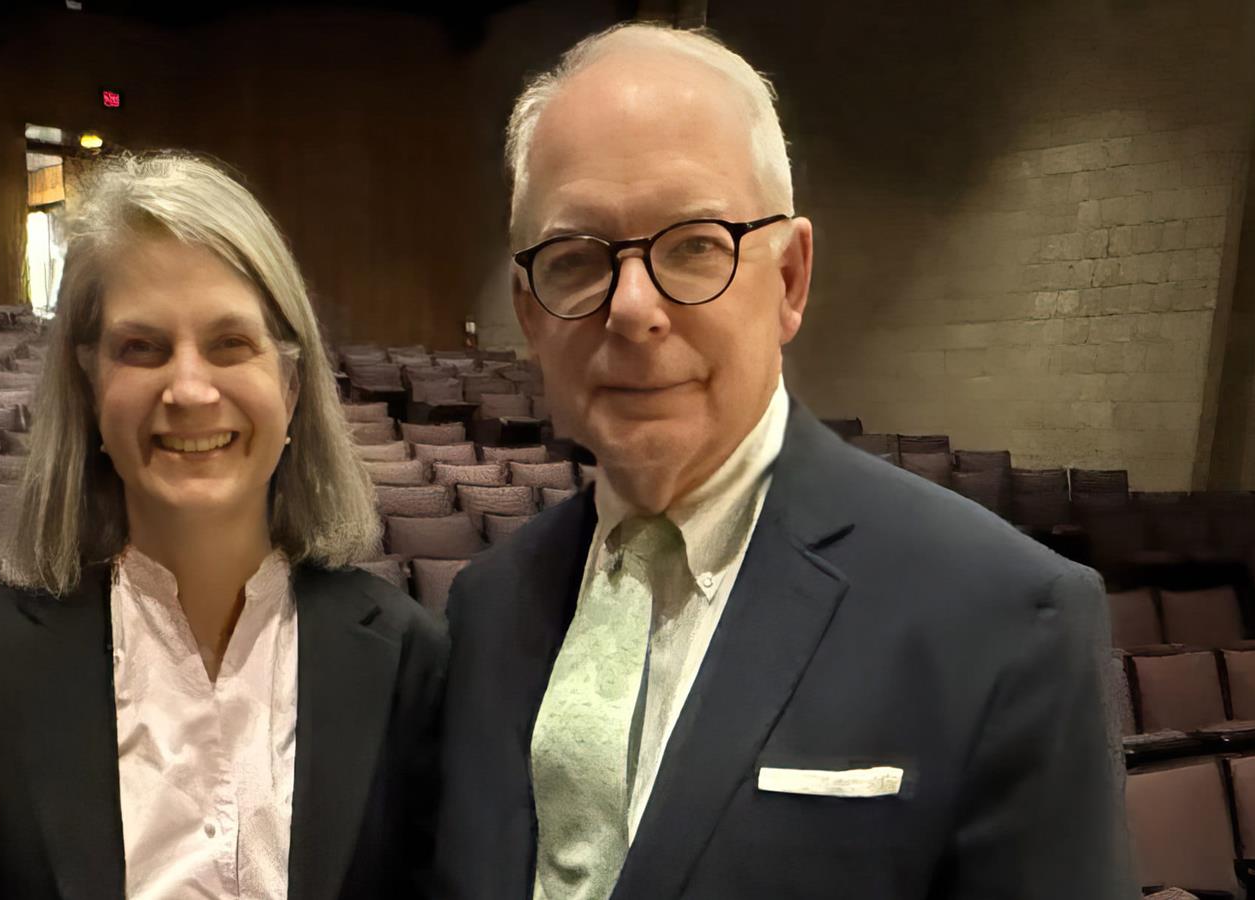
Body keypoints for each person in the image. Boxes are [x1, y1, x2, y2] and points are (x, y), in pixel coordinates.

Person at [436, 24, 1135, 900]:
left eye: (695, 244)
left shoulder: (1006, 617)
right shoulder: (487, 607)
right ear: (530, 313)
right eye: (578, 262)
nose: (634, 309)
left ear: (791, 278)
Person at [0, 153, 446, 900]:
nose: (189, 389)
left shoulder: (407, 654)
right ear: (90, 388)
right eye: (142, 348)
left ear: (290, 385)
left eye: (230, 344)